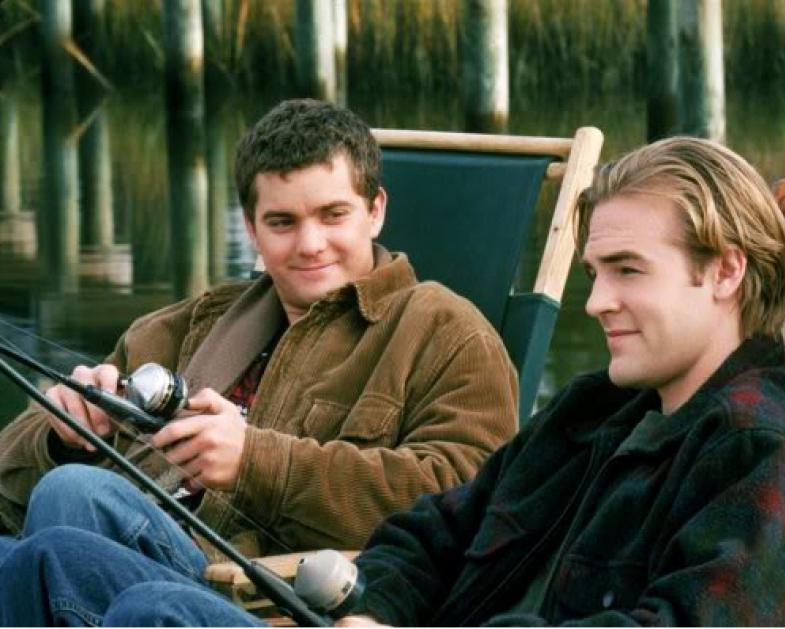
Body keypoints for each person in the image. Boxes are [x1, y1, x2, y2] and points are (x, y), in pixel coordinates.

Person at [0, 136, 785, 627]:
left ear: (725, 270)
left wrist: (260, 463)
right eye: (595, 272)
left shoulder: (762, 451)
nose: (596, 302)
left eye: (628, 270)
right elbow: (435, 528)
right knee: (55, 558)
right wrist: (375, 609)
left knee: (153, 612)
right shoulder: (600, 406)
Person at [0, 100, 517, 579]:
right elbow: (7, 492)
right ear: (251, 228)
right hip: (116, 565)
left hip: (253, 598)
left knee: (73, 497)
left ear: (375, 210)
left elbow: (471, 502)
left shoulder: (446, 332)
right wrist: (60, 435)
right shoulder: (180, 327)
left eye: (333, 215)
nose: (310, 244)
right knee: (44, 523)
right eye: (282, 222)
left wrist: (257, 464)